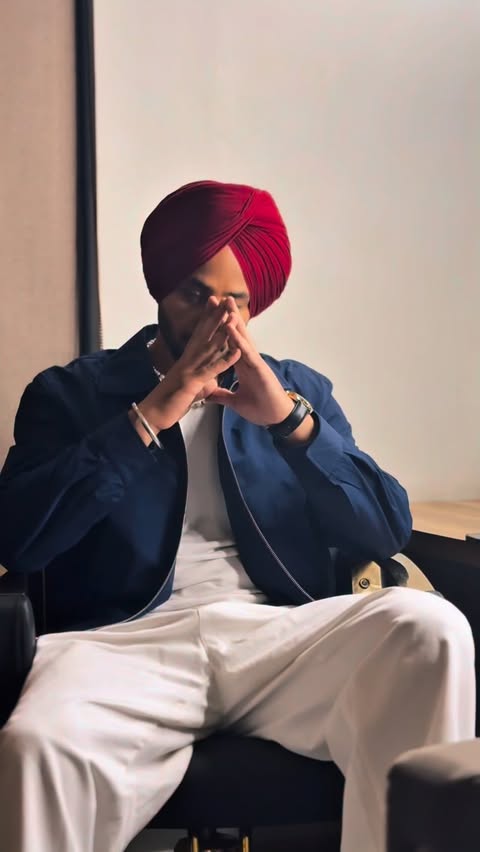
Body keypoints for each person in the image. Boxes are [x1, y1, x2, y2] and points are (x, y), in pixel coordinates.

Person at [0, 180, 474, 852]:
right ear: (161, 289)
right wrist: (153, 413)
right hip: (123, 649)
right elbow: (21, 540)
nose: (218, 320)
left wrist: (290, 422)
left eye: (238, 302)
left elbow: (384, 529)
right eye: (196, 295)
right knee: (33, 748)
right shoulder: (71, 394)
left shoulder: (296, 390)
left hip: (277, 640)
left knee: (431, 628)